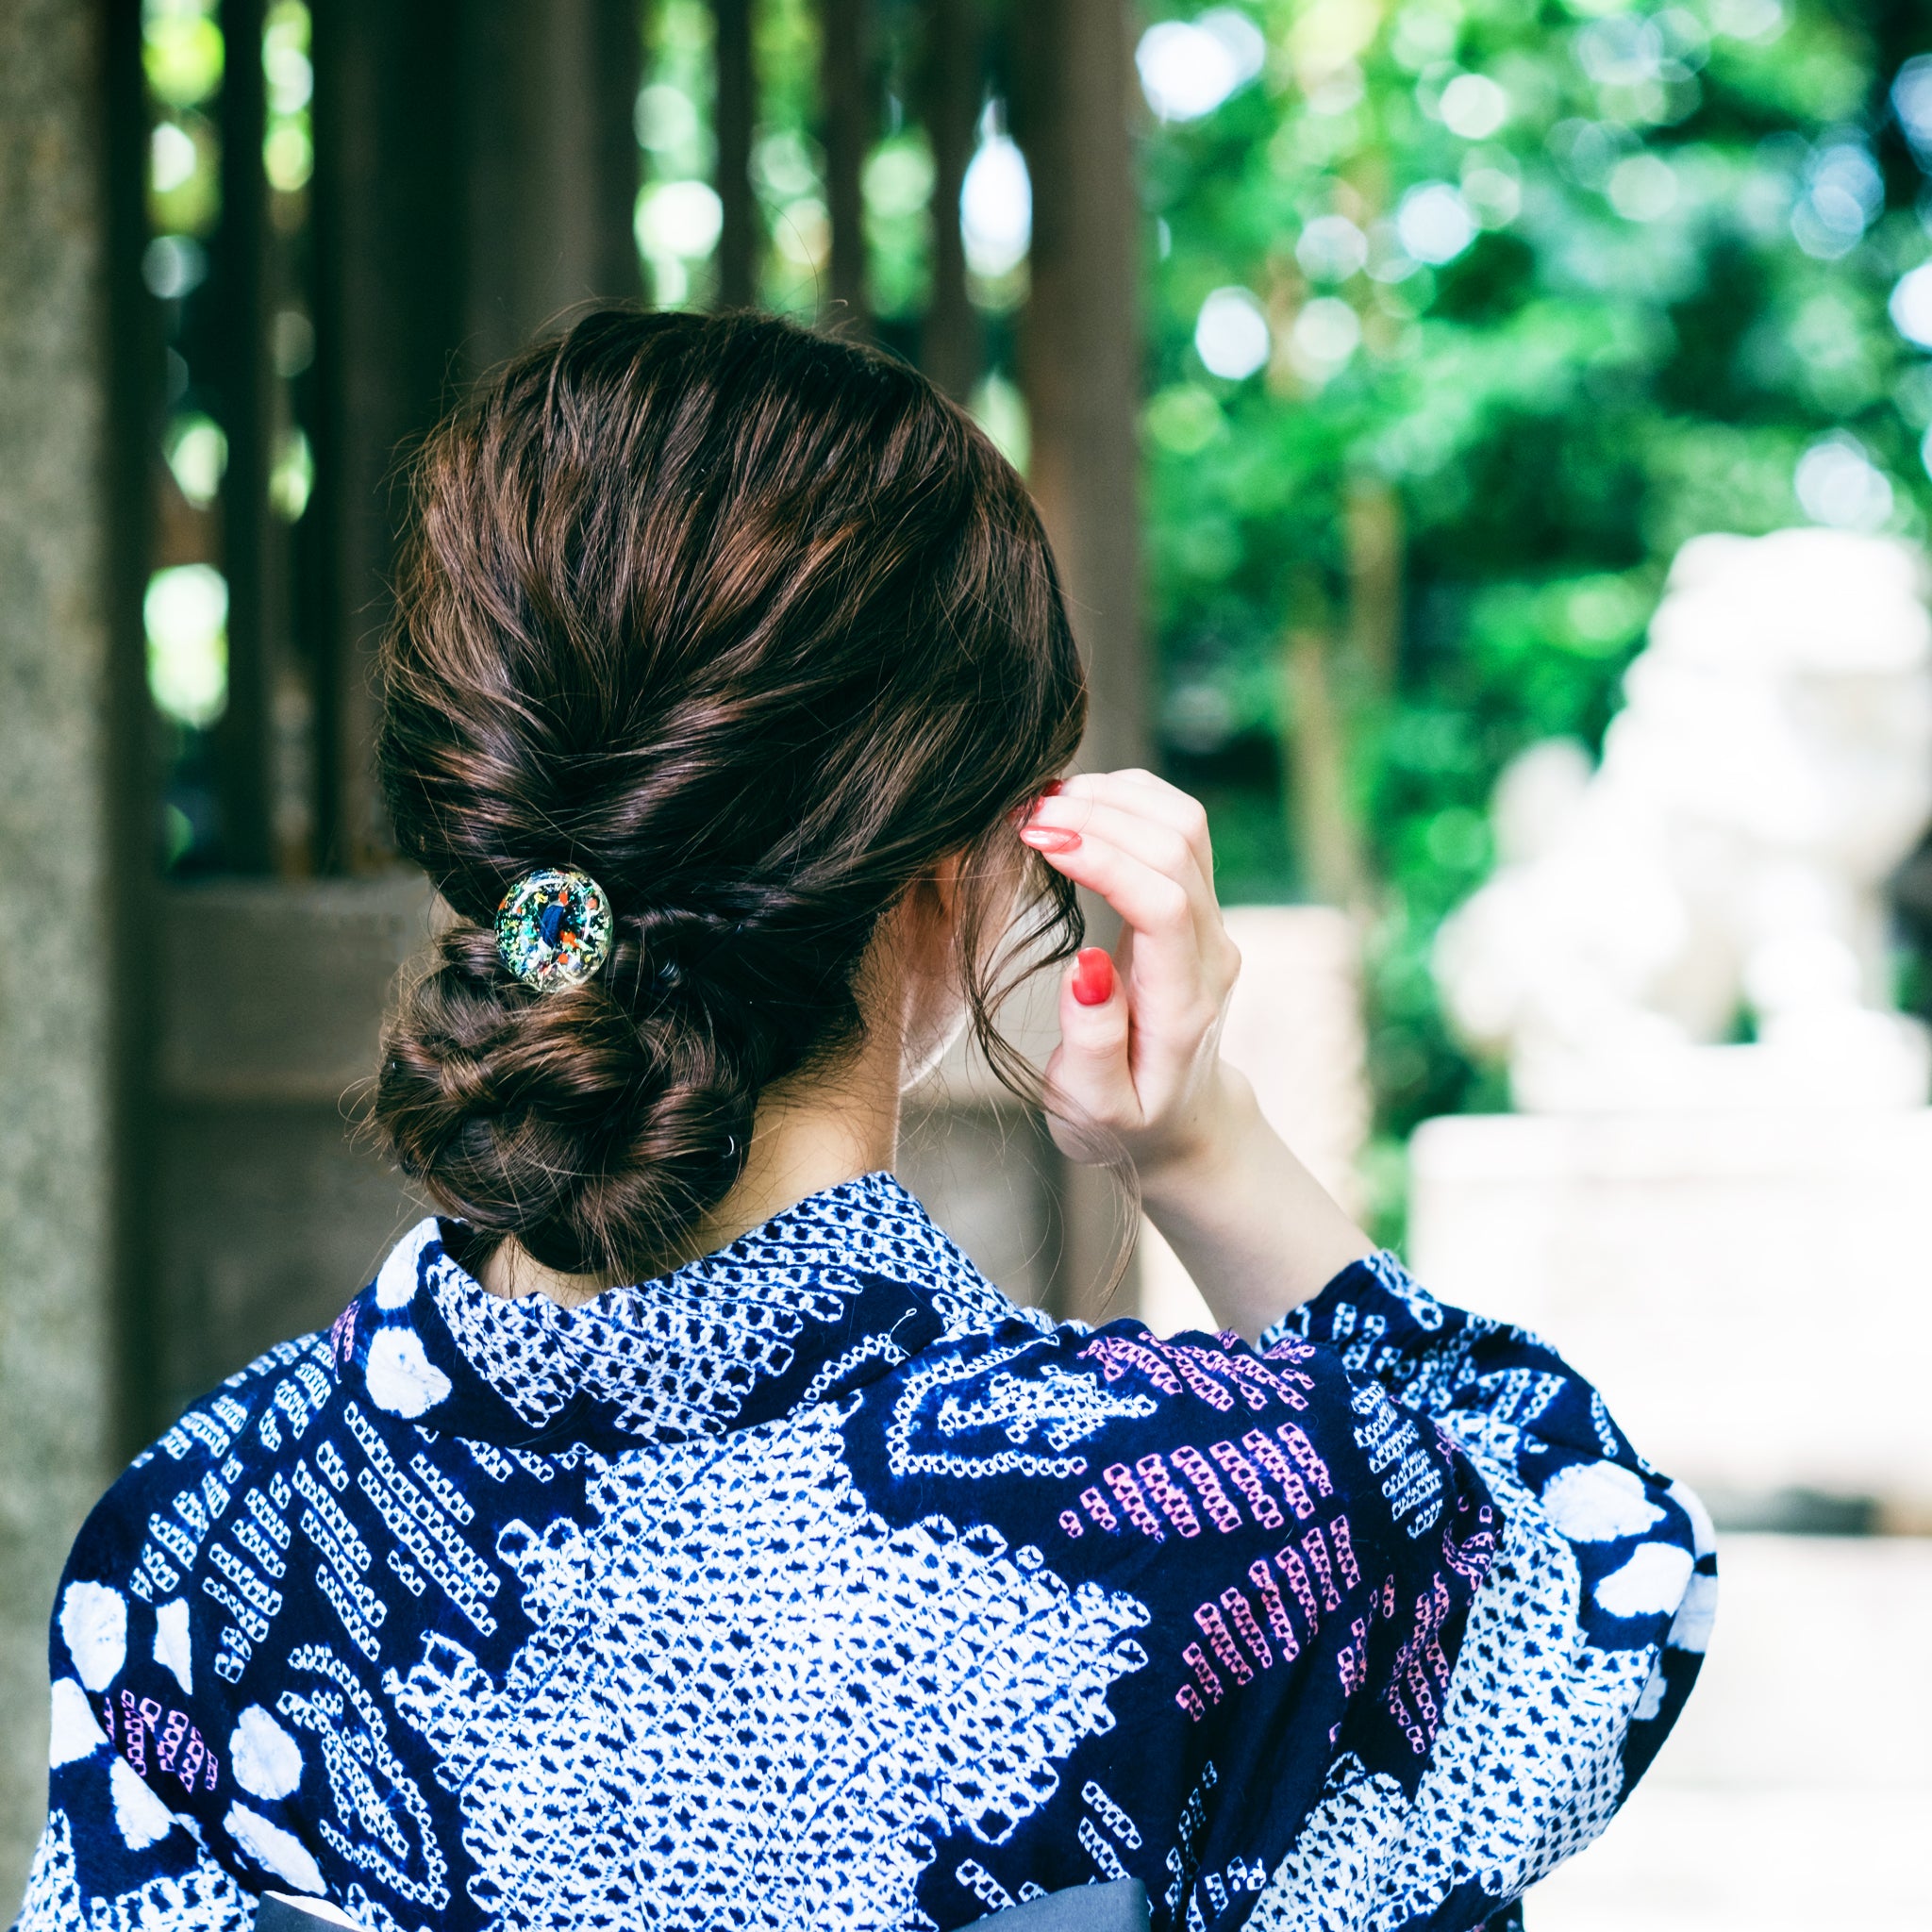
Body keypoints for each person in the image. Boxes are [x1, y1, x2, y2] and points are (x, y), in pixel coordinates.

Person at [13, 311, 1713, 1932]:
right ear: (959, 873)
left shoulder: (200, 1545)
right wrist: (1203, 1146)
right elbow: (1601, 1561)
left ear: (486, 829)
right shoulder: (1213, 1526)